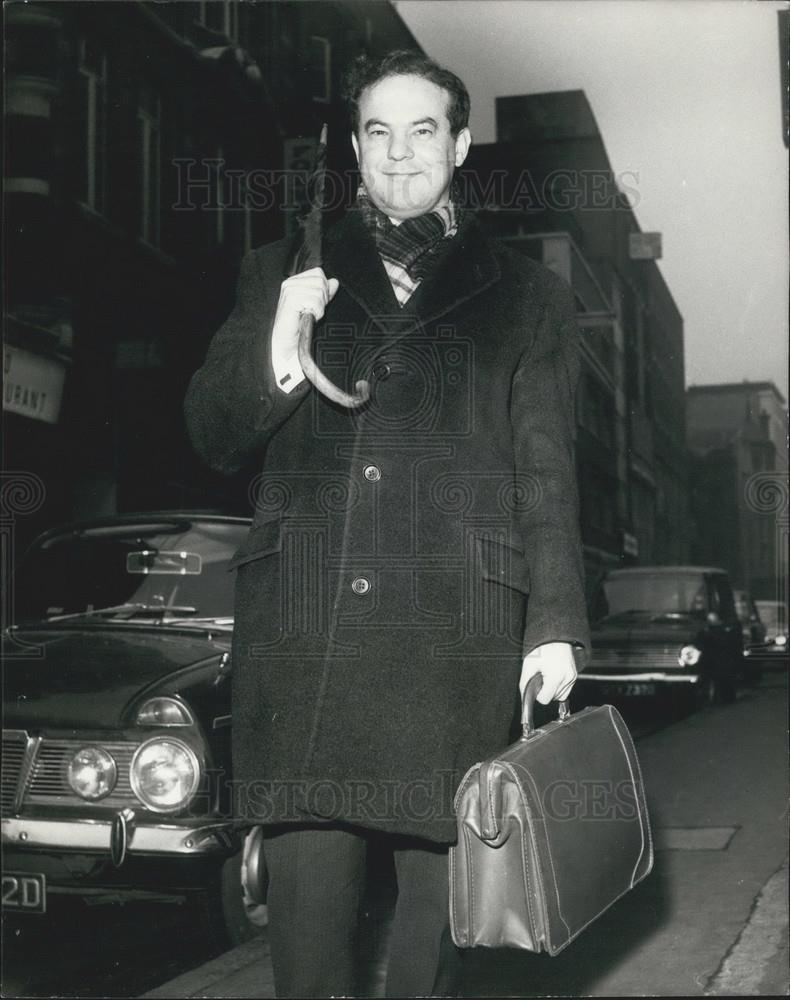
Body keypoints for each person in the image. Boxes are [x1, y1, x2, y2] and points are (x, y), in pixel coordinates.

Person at [184, 49, 590, 998]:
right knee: (311, 957)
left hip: (455, 645)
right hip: (308, 639)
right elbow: (210, 435)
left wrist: (557, 622)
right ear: (352, 147)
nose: (400, 154)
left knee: (433, 951)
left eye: (422, 131)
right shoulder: (281, 267)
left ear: (459, 144)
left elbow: (546, 470)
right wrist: (284, 346)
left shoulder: (528, 296)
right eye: (377, 131)